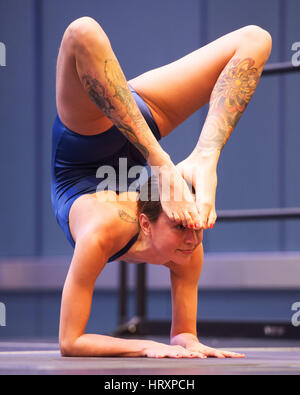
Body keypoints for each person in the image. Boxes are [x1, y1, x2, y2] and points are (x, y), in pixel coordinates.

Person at [52, 16, 272, 358]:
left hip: (102, 134)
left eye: (195, 228)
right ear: (143, 223)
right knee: (83, 32)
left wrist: (192, 343)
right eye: (183, 226)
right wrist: (144, 346)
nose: (193, 239)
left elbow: (184, 334)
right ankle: (158, 157)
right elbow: (70, 341)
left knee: (257, 37)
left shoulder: (186, 244)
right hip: (91, 145)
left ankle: (204, 154)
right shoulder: (103, 231)